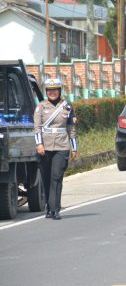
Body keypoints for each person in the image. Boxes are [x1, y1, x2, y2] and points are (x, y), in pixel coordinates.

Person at [33, 79, 78, 220]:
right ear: (46, 92)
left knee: (56, 177)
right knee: (46, 178)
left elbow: (71, 127)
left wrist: (74, 147)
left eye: (55, 90)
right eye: (49, 90)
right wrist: (39, 144)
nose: (52, 92)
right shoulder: (40, 107)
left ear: (60, 91)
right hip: (44, 147)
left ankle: (56, 209)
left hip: (62, 146)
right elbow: (37, 127)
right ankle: (48, 206)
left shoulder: (67, 106)